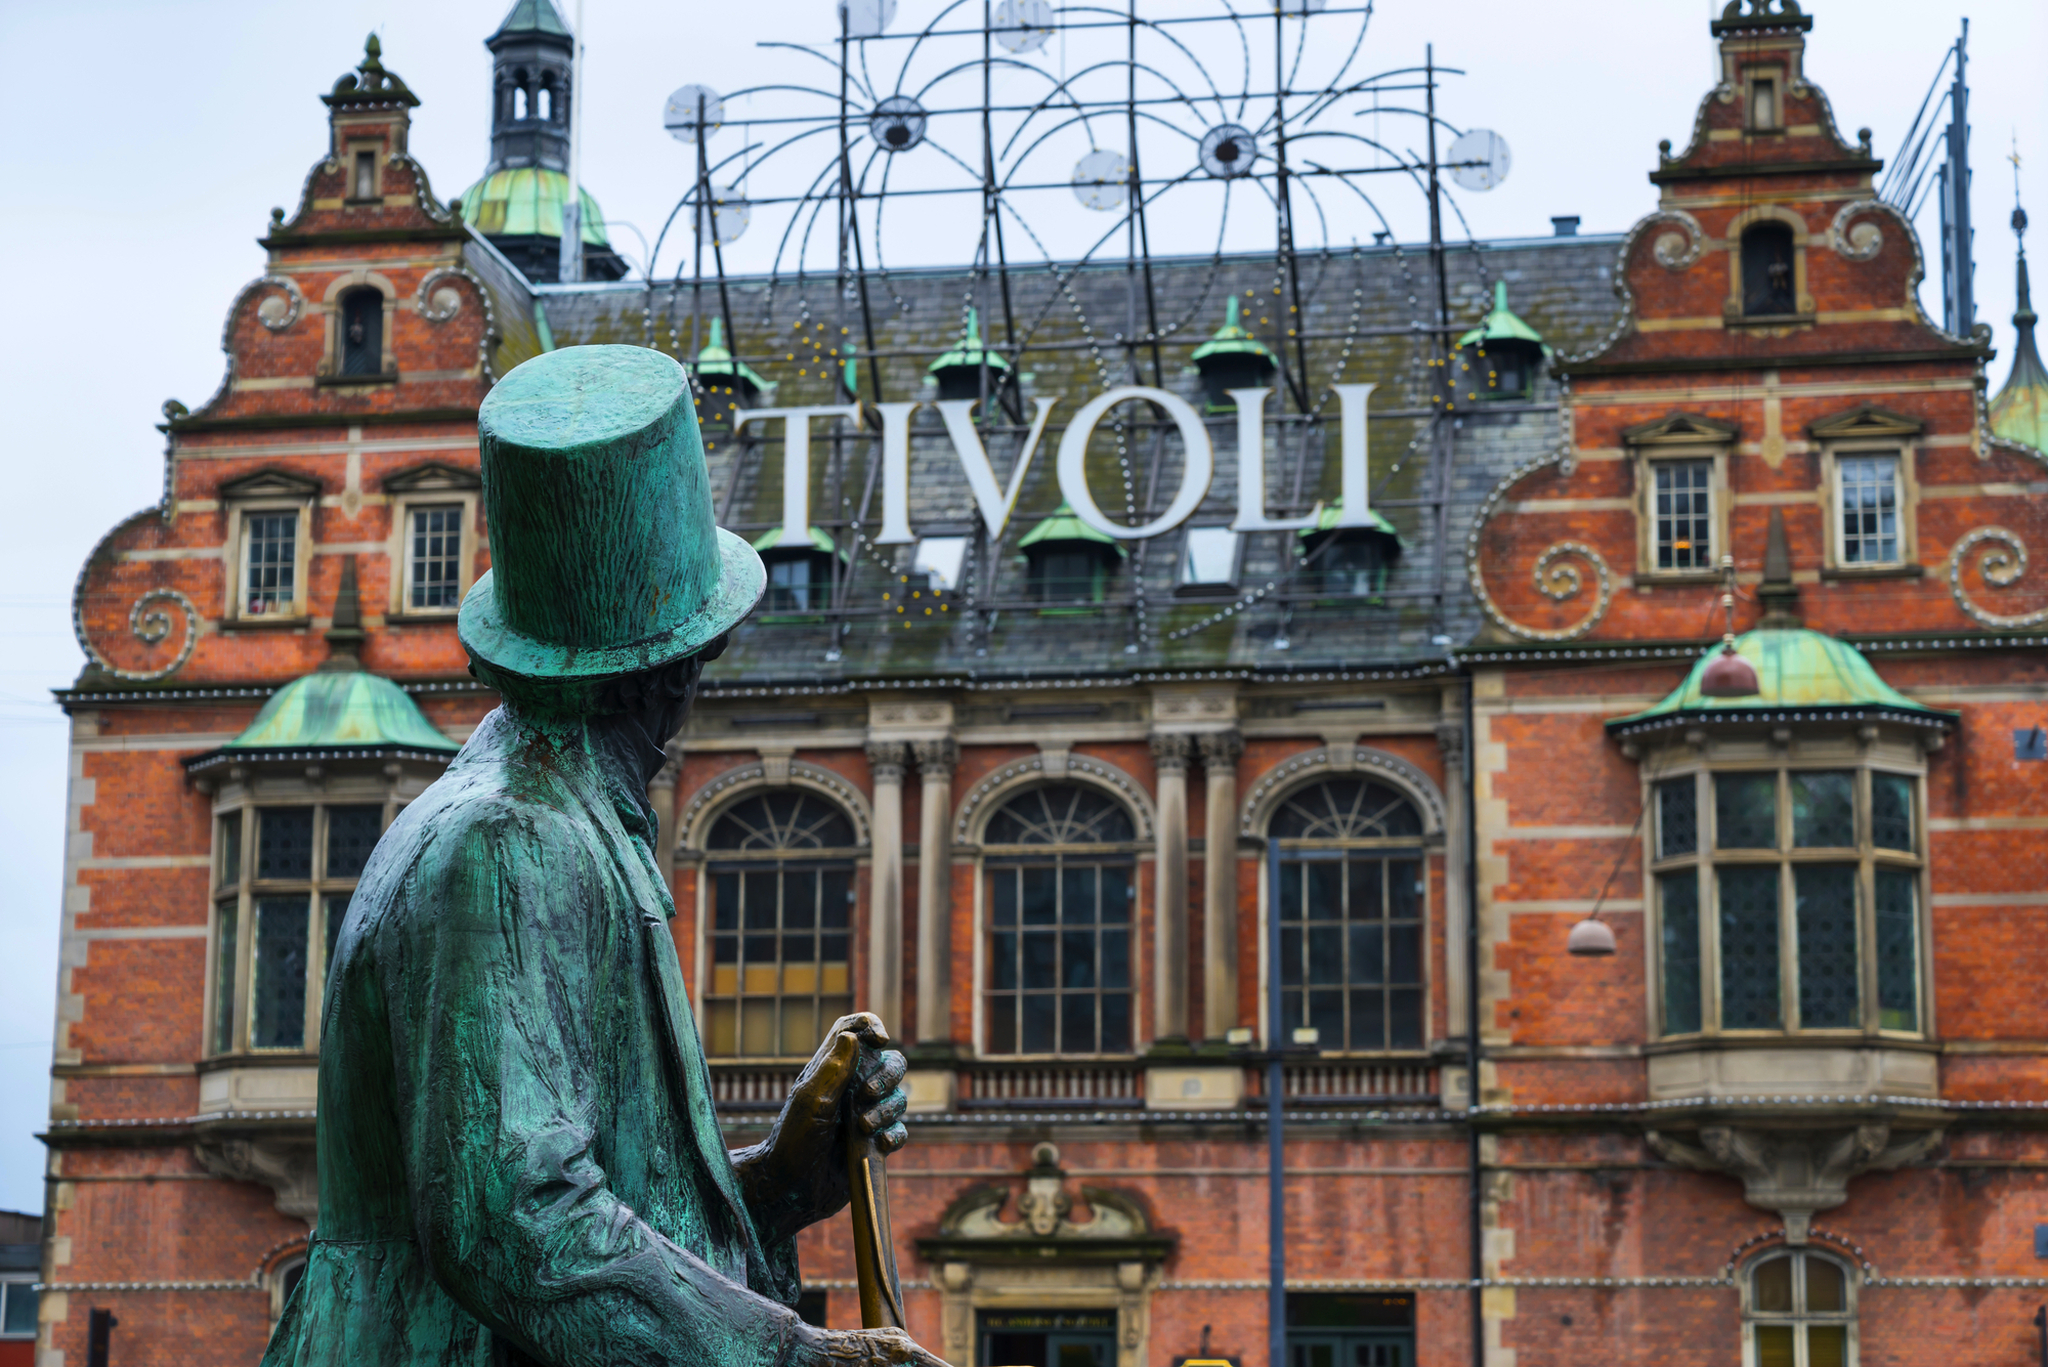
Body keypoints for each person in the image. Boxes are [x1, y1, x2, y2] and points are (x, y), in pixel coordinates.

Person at [262, 345, 950, 1367]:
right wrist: (790, 1357)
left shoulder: (545, 816)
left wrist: (781, 1178)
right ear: (682, 662)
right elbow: (516, 1224)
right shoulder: (513, 839)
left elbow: (595, 1203)